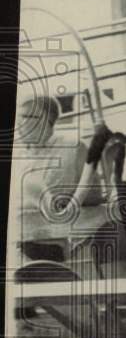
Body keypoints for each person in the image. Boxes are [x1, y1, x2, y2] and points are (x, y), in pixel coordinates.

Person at [13, 95, 106, 262]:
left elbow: (95, 195)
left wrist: (67, 202)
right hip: (16, 244)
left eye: (25, 118)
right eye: (17, 118)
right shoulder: (16, 155)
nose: (18, 124)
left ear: (47, 120)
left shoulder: (73, 147)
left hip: (55, 245)